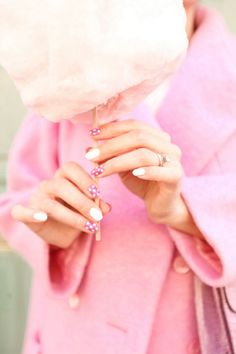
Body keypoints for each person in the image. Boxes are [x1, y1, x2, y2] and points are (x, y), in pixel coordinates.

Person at [0, 0, 236, 353]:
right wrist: (48, 226)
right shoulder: (73, 72)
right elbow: (15, 202)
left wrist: (184, 210)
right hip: (75, 336)